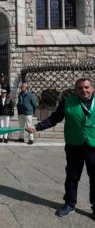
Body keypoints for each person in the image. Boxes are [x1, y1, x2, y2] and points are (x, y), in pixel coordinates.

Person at [27, 78, 95, 219]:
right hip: (74, 145)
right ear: (76, 90)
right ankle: (70, 204)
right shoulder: (67, 102)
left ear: (92, 88)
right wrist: (37, 127)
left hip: (93, 146)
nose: (84, 90)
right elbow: (54, 118)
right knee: (72, 176)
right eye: (80, 88)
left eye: (87, 87)